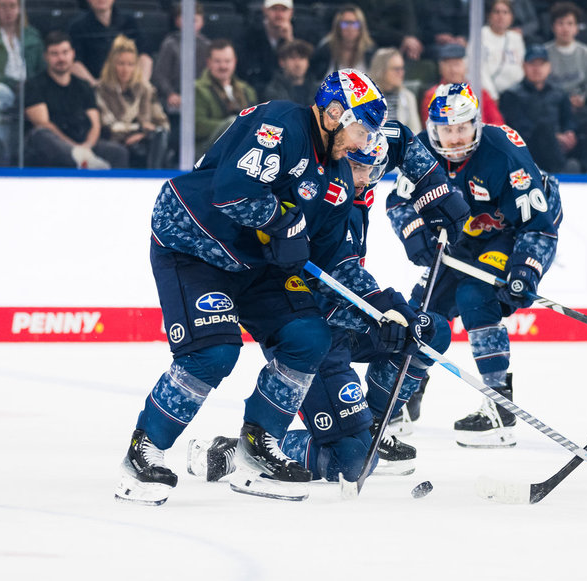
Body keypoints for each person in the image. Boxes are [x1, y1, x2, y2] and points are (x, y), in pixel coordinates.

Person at [114, 68, 394, 506]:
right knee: (213, 351)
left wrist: (382, 307)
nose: (363, 144)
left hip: (254, 264)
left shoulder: (339, 179)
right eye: (360, 130)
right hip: (194, 244)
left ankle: (256, 449)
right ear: (335, 112)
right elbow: (232, 190)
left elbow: (333, 260)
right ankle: (143, 453)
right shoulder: (281, 123)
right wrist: (284, 223)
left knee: (308, 336)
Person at [186, 132, 460, 486]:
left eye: (373, 169)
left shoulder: (361, 146)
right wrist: (383, 312)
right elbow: (329, 279)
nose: (364, 180)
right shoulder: (311, 193)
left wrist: (434, 188)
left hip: (354, 316)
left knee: (431, 330)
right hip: (315, 330)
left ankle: (372, 423)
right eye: (357, 167)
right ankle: (236, 451)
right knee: (353, 461)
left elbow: (401, 139)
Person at [387, 82, 562, 448]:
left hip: (508, 233)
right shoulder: (421, 151)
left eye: (462, 127)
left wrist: (526, 269)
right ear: (433, 128)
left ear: (476, 123)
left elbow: (539, 226)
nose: (454, 138)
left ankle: (499, 404)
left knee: (474, 296)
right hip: (459, 237)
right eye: (446, 129)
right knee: (423, 309)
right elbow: (399, 201)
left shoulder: (502, 153)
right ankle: (403, 398)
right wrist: (414, 232)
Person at [23, 31, 128, 169]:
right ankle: (86, 161)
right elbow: (43, 123)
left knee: (118, 153)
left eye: (65, 52)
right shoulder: (34, 85)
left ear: (73, 53)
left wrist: (87, 146)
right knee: (40, 135)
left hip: (84, 144)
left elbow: (95, 124)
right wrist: (76, 150)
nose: (61, 58)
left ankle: (93, 168)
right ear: (46, 57)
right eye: (55, 54)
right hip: (56, 147)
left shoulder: (83, 86)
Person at [499, 44, 587, 174]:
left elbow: (567, 118)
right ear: (524, 66)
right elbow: (518, 126)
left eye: (541, 64)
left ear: (549, 67)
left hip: (558, 144)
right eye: (532, 64)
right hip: (529, 145)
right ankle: (561, 171)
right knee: (544, 130)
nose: (537, 69)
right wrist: (554, 136)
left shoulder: (559, 93)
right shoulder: (512, 95)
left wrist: (568, 132)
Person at [95, 35, 170, 169]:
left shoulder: (145, 89)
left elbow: (163, 123)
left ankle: (154, 178)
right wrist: (141, 128)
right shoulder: (101, 89)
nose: (125, 69)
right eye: (121, 64)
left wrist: (142, 134)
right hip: (114, 142)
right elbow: (109, 127)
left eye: (130, 64)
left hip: (143, 141)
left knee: (159, 137)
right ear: (112, 65)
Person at [0, 0, 45, 164]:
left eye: (12, 6)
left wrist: (31, 86)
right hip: (4, 88)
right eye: (3, 6)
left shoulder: (32, 36)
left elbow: (41, 68)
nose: (8, 11)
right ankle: (2, 155)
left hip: (29, 89)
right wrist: (12, 83)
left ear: (20, 9)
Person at [194, 39, 258, 156]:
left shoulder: (247, 90)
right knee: (232, 122)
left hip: (244, 151)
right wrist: (234, 126)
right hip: (206, 152)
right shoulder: (197, 89)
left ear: (235, 62)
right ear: (209, 63)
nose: (223, 66)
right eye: (218, 61)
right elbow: (197, 125)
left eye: (227, 61)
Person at [68, 0, 151, 86]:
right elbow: (74, 62)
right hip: (95, 87)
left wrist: (142, 84)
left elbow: (144, 55)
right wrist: (94, 85)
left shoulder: (130, 22)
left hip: (129, 86)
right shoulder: (77, 26)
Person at [419, 43, 503, 127]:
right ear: (440, 69)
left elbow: (497, 123)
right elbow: (432, 128)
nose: (453, 70)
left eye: (457, 64)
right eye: (448, 65)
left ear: (465, 67)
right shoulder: (432, 96)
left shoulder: (479, 92)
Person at [152, 1, 211, 116]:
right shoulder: (170, 44)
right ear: (177, 21)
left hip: (200, 97)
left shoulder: (208, 46)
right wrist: (170, 93)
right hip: (174, 96)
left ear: (202, 22)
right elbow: (160, 74)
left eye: (194, 20)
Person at [543, 1, 587, 111]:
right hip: (549, 106)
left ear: (577, 28)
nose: (565, 28)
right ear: (553, 27)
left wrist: (582, 99)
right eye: (560, 23)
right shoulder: (542, 52)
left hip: (580, 107)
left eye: (570, 23)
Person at [235, 0, 297, 89]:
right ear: (265, 10)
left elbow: (300, 72)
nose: (279, 14)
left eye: (283, 10)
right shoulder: (249, 36)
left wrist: (290, 41)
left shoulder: (300, 35)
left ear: (291, 12)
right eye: (274, 9)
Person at [310, 4, 375, 82]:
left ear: (361, 27)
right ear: (338, 27)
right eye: (345, 24)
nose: (350, 28)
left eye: (355, 24)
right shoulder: (326, 49)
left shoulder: (370, 51)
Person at [368, 47, 421, 133]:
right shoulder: (365, 97)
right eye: (396, 69)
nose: (401, 73)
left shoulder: (408, 97)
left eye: (402, 68)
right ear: (381, 71)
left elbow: (415, 134)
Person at [480, 0, 525, 101]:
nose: (501, 16)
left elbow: (521, 68)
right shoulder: (480, 35)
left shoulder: (516, 38)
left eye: (505, 12)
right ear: (489, 15)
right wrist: (492, 96)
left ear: (511, 17)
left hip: (515, 95)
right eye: (497, 12)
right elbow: (479, 71)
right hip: (490, 96)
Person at [262, 39, 318, 104]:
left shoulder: (320, 90)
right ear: (282, 62)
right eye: (293, 58)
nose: (298, 64)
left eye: (302, 58)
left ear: (308, 63)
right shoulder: (273, 91)